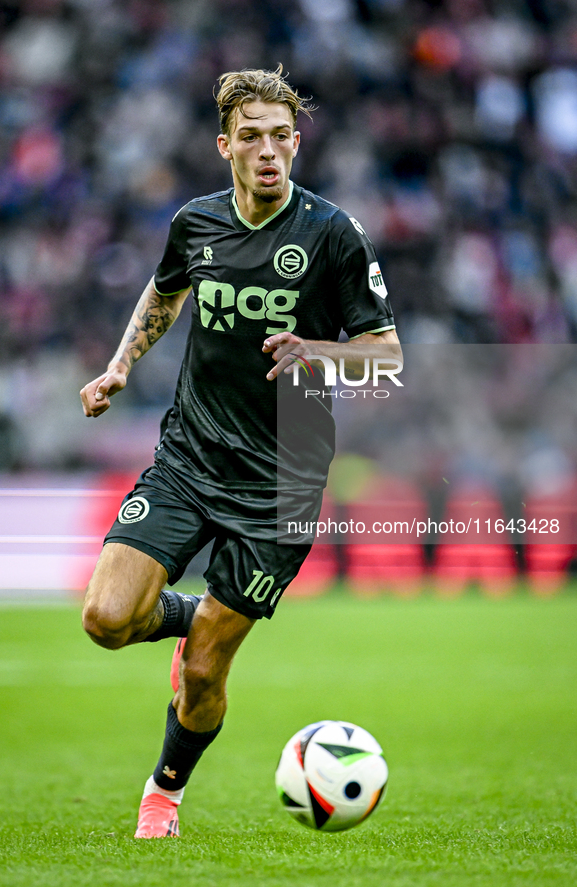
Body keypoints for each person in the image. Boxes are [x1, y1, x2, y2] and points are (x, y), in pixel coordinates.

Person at [79, 65, 401, 838]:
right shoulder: (195, 223)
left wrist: (315, 351)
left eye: (280, 137)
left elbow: (386, 355)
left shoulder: (331, 234)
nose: (268, 151)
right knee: (104, 617)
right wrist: (122, 364)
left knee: (202, 671)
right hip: (189, 457)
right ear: (224, 145)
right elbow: (164, 292)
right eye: (250, 137)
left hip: (279, 489)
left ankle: (163, 791)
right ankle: (195, 611)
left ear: (297, 143)